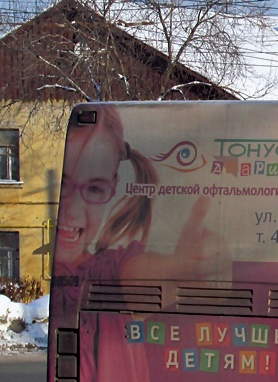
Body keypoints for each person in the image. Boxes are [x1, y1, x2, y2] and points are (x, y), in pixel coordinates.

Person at [53, 106, 217, 312]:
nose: (72, 212)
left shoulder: (102, 271)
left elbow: (133, 271)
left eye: (95, 189)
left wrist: (178, 264)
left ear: (113, 188)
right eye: (65, 185)